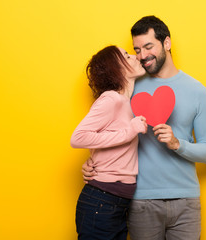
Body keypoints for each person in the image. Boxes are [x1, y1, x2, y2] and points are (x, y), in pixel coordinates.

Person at [83, 16, 206, 240]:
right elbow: (107, 129)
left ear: (167, 43)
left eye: (148, 46)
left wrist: (177, 144)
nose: (142, 55)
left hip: (186, 203)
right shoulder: (130, 88)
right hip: (141, 201)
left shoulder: (198, 91)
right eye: (137, 49)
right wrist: (94, 163)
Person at [70, 45, 148, 240]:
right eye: (126, 56)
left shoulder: (127, 103)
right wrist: (129, 131)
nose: (134, 57)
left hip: (118, 203)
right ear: (116, 67)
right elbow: (78, 138)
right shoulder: (111, 99)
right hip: (102, 201)